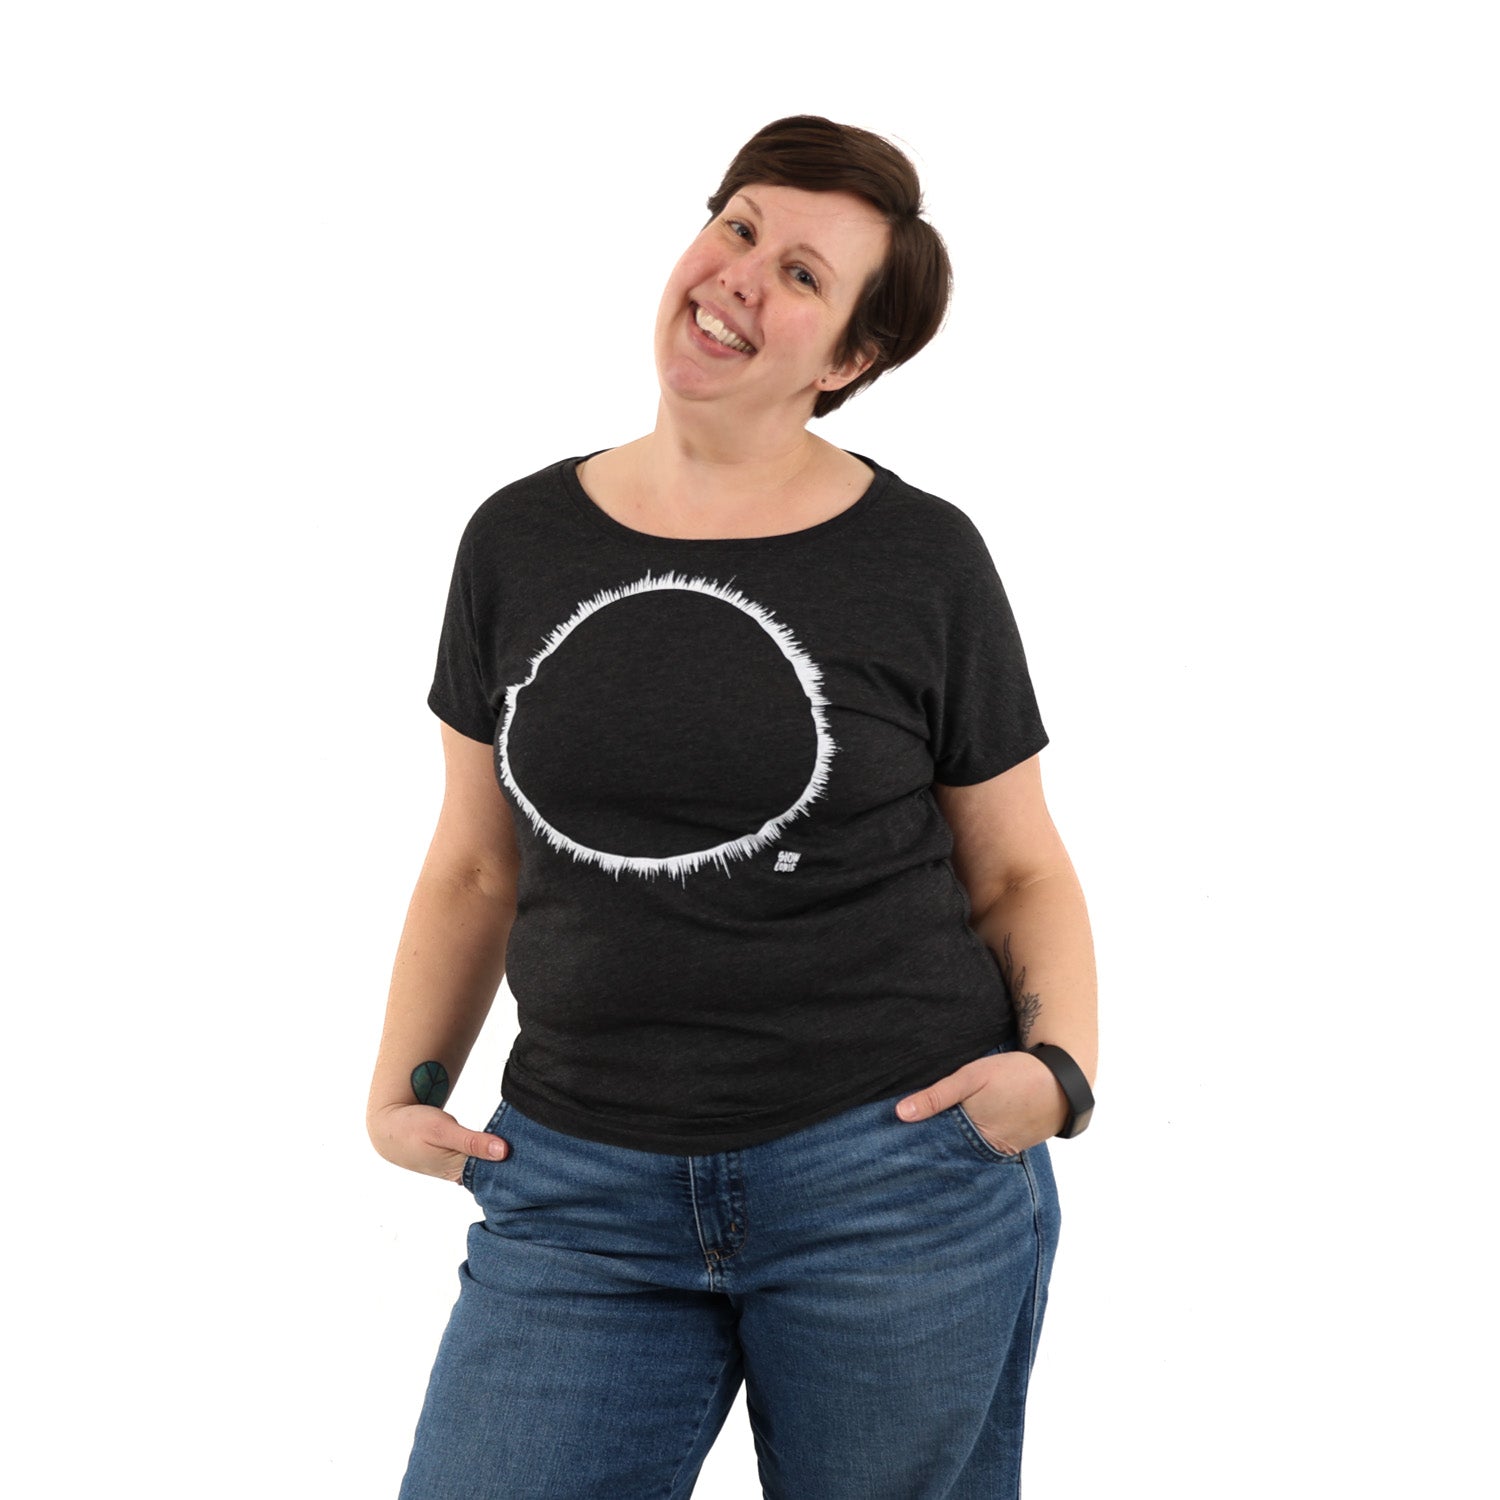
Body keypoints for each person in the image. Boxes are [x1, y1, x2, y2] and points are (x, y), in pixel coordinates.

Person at [367, 113, 1098, 1500]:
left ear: (851, 359)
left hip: (888, 1179)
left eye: (804, 276)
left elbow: (1018, 873)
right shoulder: (516, 539)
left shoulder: (923, 558)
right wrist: (404, 1086)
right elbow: (474, 865)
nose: (738, 276)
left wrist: (1053, 1080)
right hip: (577, 1187)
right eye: (739, 225)